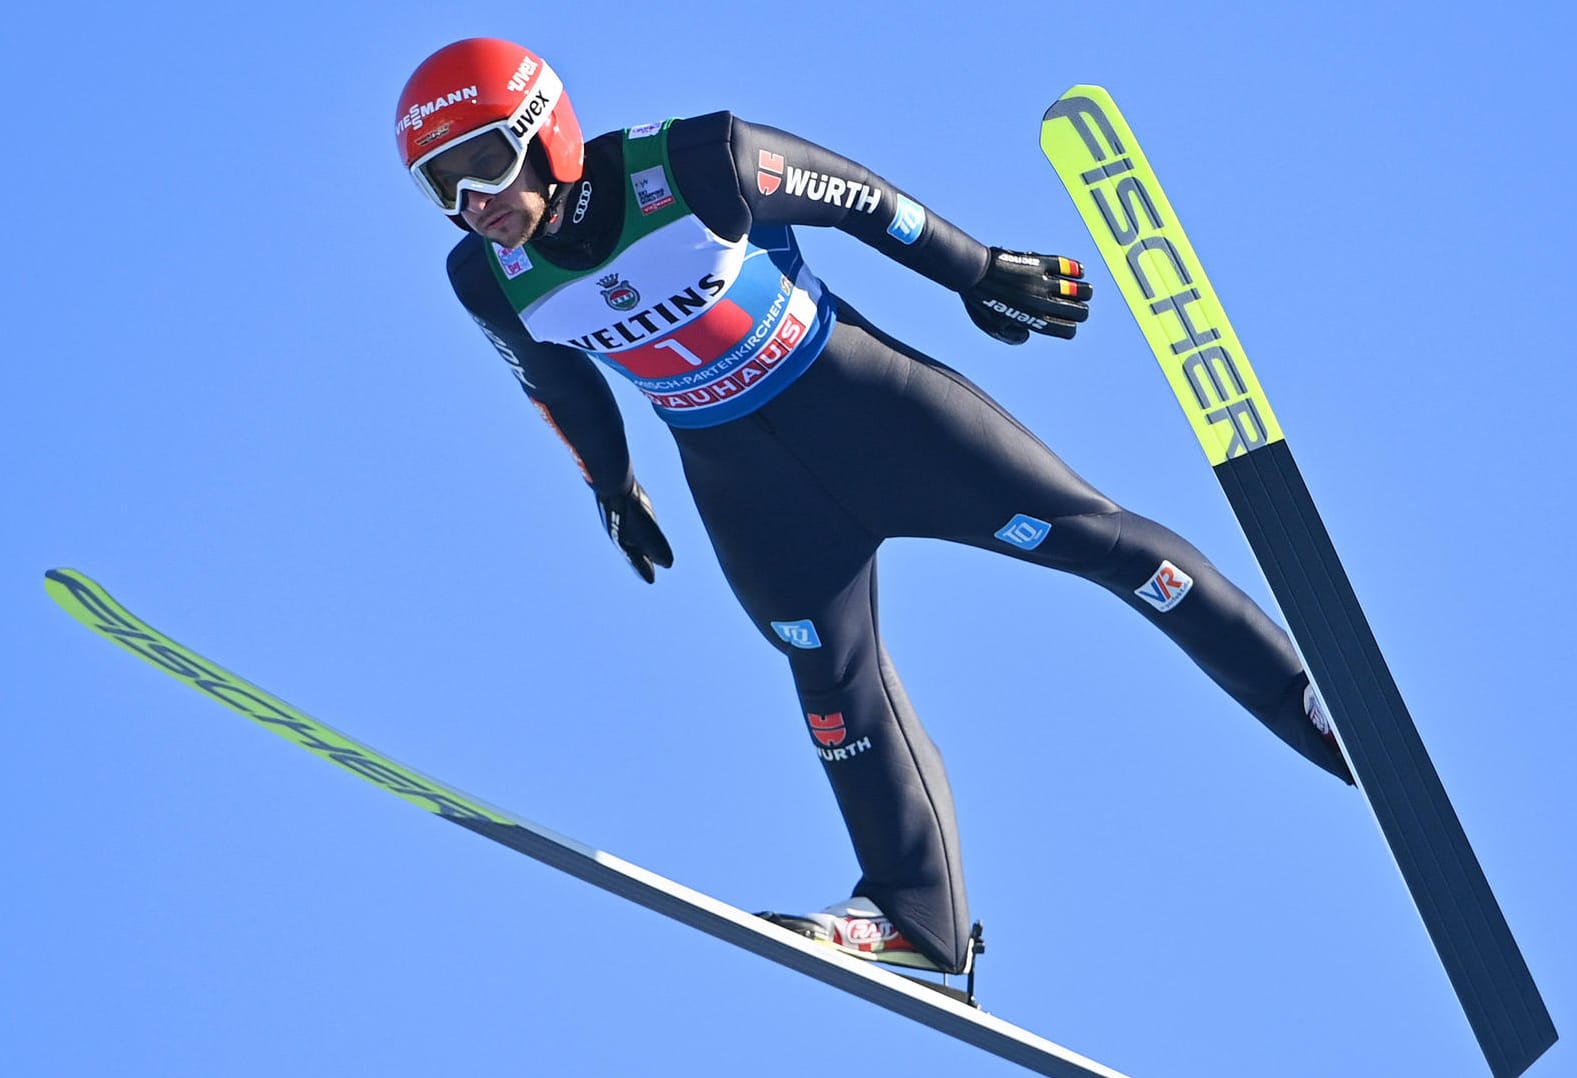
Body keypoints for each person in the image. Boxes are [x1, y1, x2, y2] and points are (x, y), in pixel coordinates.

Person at [395, 37, 1353, 977]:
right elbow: (558, 386)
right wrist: (610, 486)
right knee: (828, 678)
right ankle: (914, 916)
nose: (476, 202)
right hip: (747, 488)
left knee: (1100, 544)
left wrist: (977, 271)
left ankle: (1309, 700)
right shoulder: (485, 278)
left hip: (872, 414)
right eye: (445, 187)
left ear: (547, 132)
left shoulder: (692, 162)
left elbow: (858, 198)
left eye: (486, 162)